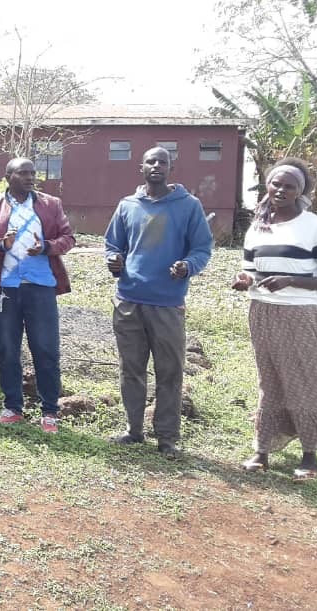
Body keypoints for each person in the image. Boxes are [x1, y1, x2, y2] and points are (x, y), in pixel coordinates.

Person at [104, 146, 213, 459]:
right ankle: (133, 430)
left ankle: (167, 437)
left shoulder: (188, 206)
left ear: (170, 167)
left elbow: (203, 249)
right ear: (141, 166)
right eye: (150, 160)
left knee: (170, 372)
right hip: (128, 300)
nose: (156, 166)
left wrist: (187, 266)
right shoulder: (127, 206)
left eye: (162, 161)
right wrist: (113, 259)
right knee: (131, 369)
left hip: (167, 303)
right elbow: (113, 244)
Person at [232, 159, 317, 481]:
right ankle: (262, 450)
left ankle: (310, 455)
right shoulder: (257, 226)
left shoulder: (314, 226)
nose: (281, 190)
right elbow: (250, 269)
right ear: (267, 185)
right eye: (276, 183)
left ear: (301, 191)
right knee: (268, 379)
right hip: (261, 310)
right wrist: (244, 279)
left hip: (300, 312)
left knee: (303, 380)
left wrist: (291, 280)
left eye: (289, 185)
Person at [0, 158, 75, 433]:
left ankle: (50, 411)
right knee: (8, 349)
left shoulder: (50, 204)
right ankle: (13, 407)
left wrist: (46, 246)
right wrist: (0, 244)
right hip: (5, 288)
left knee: (45, 349)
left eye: (33, 173)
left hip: (41, 286)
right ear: (8, 176)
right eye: (24, 173)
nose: (31, 177)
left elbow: (68, 238)